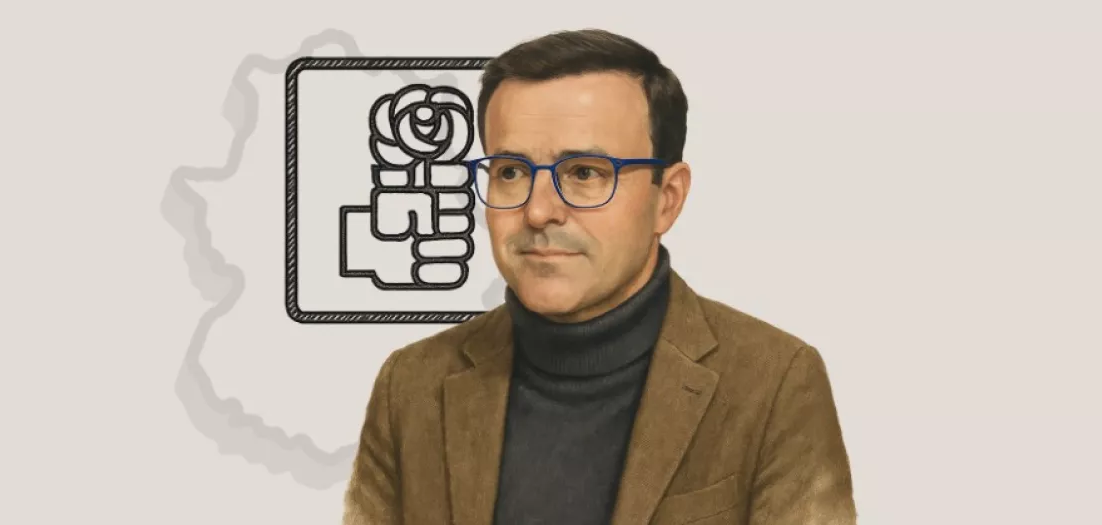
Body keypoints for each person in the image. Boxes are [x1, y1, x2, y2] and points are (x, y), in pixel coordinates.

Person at [342, 29, 857, 525]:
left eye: (585, 173)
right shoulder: (411, 384)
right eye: (511, 172)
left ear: (667, 199)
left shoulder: (775, 383)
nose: (538, 211)